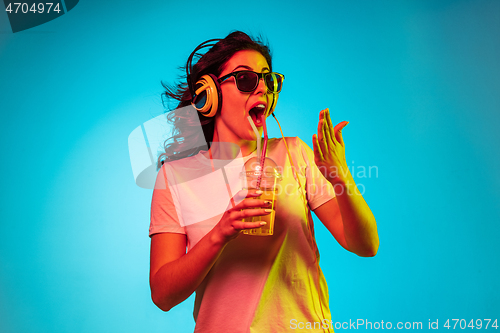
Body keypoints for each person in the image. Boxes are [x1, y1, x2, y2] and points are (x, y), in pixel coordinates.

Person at [149, 31, 379, 332]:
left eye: (268, 81)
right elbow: (163, 295)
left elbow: (365, 244)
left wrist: (340, 176)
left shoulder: (295, 153)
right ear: (210, 94)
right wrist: (220, 233)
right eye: (245, 79)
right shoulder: (175, 177)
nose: (262, 89)